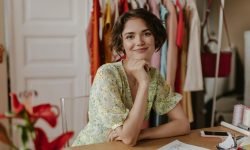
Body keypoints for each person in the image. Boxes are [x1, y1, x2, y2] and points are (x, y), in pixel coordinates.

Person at [72, 8, 190, 147]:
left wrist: (143, 134)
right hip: (94, 147)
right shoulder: (107, 75)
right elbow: (128, 139)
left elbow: (183, 124)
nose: (139, 41)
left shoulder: (154, 77)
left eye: (146, 34)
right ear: (122, 43)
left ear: (156, 38)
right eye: (130, 36)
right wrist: (144, 83)